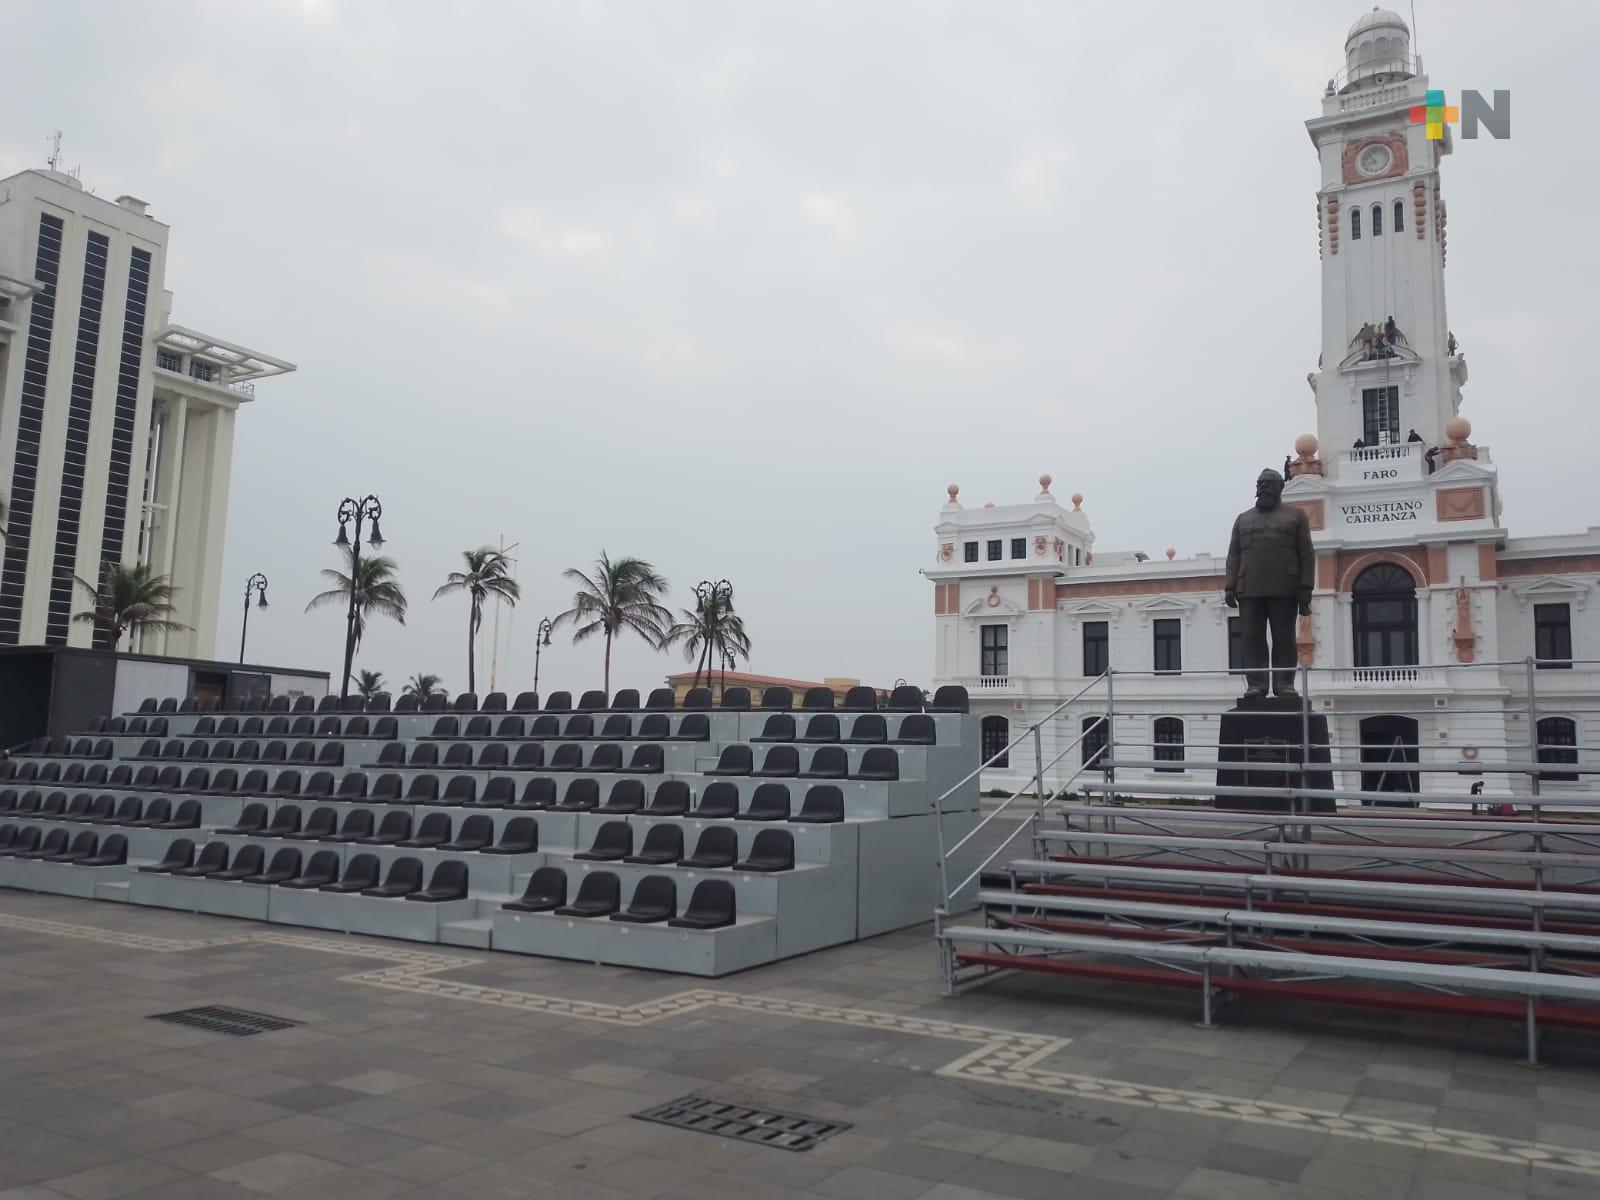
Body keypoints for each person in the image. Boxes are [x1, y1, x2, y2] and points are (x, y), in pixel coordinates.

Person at [1225, 469, 1316, 701]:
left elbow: (1306, 554)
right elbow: (1234, 555)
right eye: (1260, 483)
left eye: (1268, 483)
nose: (1263, 487)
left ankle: (1284, 684)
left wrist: (1306, 589)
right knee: (1251, 639)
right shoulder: (1243, 518)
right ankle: (1256, 684)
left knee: (1283, 638)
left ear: (1279, 487)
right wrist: (1229, 586)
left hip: (1284, 588)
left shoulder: (1296, 517)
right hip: (1249, 589)